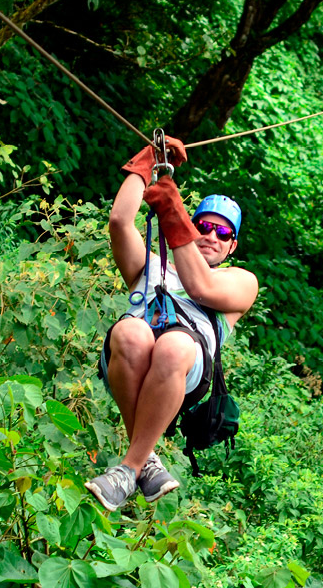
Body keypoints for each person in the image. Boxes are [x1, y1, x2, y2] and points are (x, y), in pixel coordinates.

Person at [84, 137, 259, 511]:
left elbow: (201, 286)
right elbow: (119, 222)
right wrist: (145, 163)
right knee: (130, 331)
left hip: (186, 366)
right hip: (133, 355)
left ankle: (129, 467)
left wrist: (174, 214)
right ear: (193, 228)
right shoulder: (152, 267)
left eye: (223, 233)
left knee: (175, 344)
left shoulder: (241, 282)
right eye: (203, 227)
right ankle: (143, 466)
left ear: (233, 246)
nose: (211, 236)